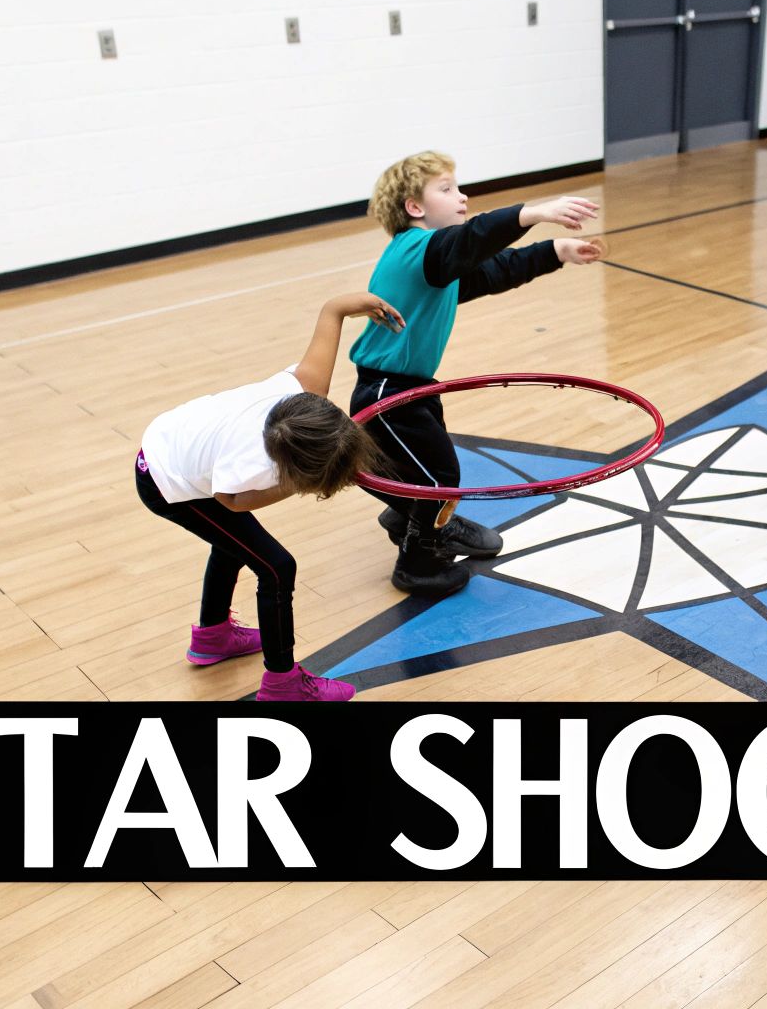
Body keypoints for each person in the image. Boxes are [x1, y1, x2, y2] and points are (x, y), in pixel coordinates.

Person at [351, 149, 606, 595]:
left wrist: (556, 251)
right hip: (385, 391)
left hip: (410, 386)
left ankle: (411, 516)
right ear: (415, 207)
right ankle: (419, 563)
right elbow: (473, 239)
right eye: (447, 189)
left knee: (430, 472)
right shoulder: (418, 251)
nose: (463, 196)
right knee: (439, 479)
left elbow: (490, 271)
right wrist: (533, 213)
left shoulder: (435, 264)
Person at [135, 292, 403, 701]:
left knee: (233, 542)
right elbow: (231, 502)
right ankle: (283, 683)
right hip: (164, 478)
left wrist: (356, 304)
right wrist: (296, 483)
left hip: (180, 441)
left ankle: (212, 637)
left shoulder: (307, 390)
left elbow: (331, 308)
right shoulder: (252, 464)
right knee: (277, 567)